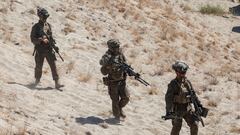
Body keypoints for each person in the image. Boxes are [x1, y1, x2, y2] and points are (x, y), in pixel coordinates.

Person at [165, 61, 204, 135]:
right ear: (177, 72)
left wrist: (199, 105)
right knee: (177, 127)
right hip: (177, 110)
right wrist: (169, 111)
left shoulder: (187, 82)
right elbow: (168, 98)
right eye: (182, 73)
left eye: (184, 73)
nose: (183, 74)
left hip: (187, 109)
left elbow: (193, 95)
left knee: (195, 124)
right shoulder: (173, 84)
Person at [30, 7, 63, 89]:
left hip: (48, 49)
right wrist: (41, 40)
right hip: (40, 50)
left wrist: (55, 46)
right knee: (39, 66)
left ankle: (57, 82)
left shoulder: (48, 26)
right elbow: (32, 39)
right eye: (44, 17)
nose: (45, 19)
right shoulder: (36, 27)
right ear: (40, 17)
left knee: (53, 65)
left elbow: (51, 37)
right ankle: (37, 81)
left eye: (46, 17)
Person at [99, 39, 130, 120]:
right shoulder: (107, 56)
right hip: (113, 83)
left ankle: (119, 109)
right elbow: (103, 70)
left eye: (118, 46)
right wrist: (110, 66)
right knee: (115, 100)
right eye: (116, 47)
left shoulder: (120, 54)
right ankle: (116, 116)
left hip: (122, 81)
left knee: (126, 98)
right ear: (112, 48)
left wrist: (128, 70)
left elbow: (125, 63)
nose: (118, 48)